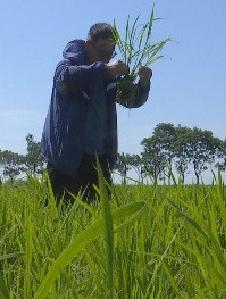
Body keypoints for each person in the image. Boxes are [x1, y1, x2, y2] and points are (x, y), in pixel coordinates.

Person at [41, 23, 152, 204]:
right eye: (102, 49)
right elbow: (66, 79)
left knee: (99, 220)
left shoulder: (108, 77)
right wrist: (105, 69)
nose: (107, 56)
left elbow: (131, 100)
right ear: (88, 45)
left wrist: (144, 83)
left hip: (98, 160)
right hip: (66, 159)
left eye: (111, 51)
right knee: (61, 219)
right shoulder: (67, 66)